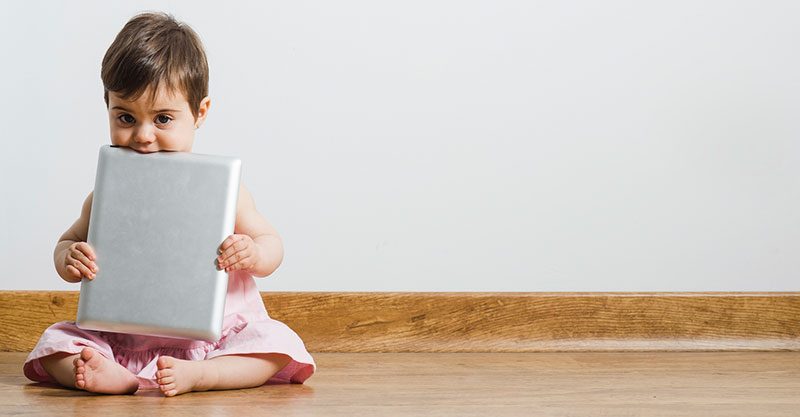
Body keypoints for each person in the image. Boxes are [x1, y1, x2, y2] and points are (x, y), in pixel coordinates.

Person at [22, 11, 315, 396]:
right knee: (54, 347)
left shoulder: (227, 193)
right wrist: (69, 256)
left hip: (216, 341)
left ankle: (200, 375)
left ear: (199, 113)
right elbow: (67, 242)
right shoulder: (105, 196)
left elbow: (271, 245)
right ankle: (114, 376)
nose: (143, 136)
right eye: (125, 116)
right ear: (107, 106)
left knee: (274, 346)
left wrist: (253, 252)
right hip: (120, 341)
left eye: (162, 118)